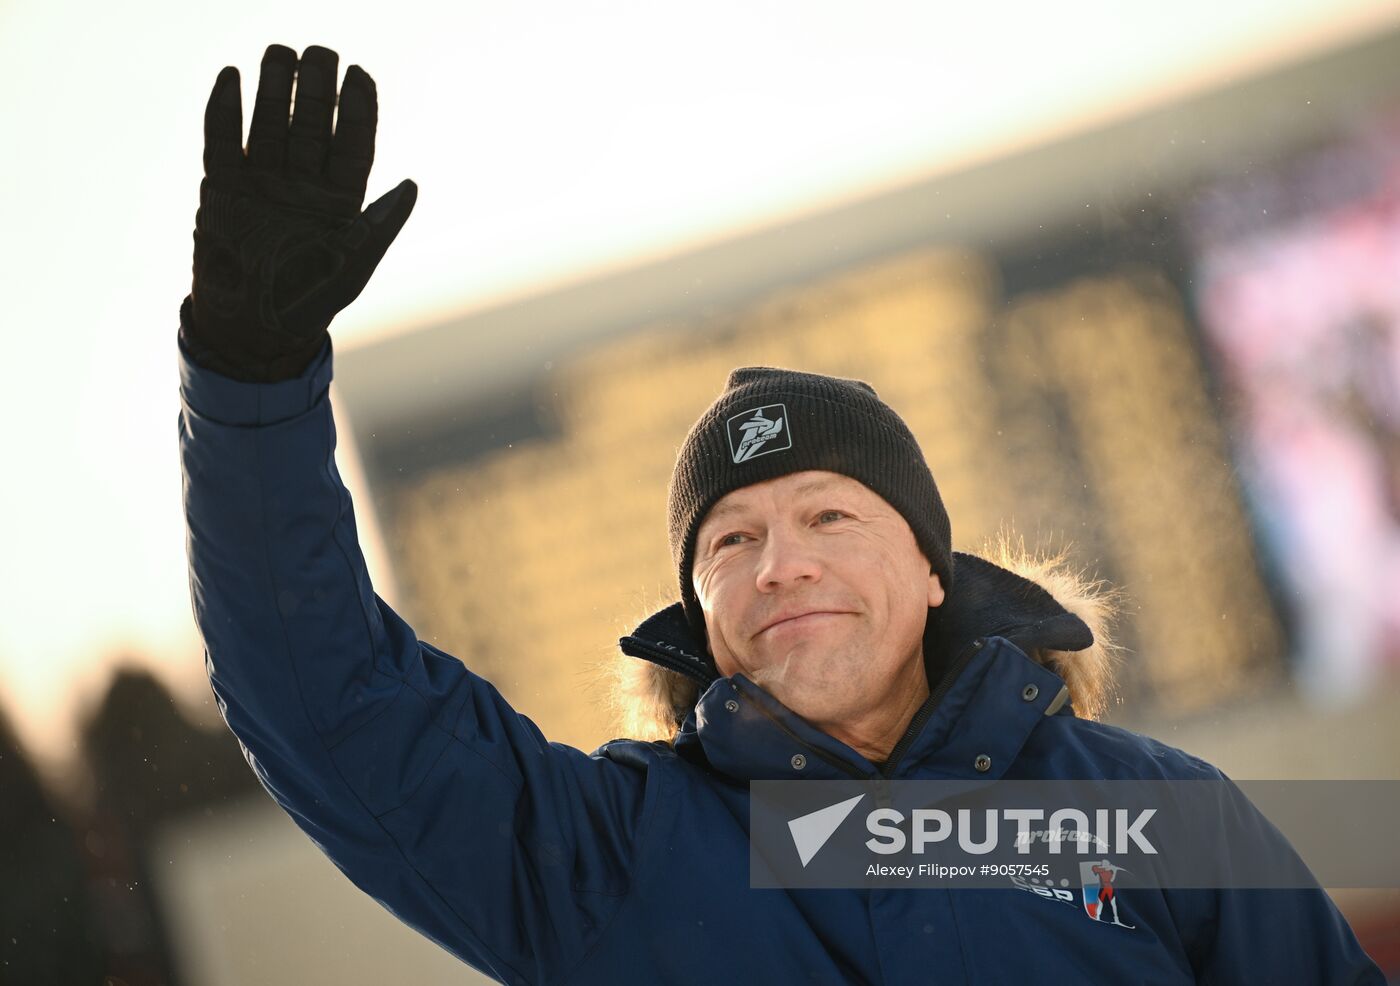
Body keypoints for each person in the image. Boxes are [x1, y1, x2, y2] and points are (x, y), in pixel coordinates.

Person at [177, 44, 1384, 985]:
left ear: (927, 568)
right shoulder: (608, 855)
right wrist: (249, 384)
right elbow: (325, 698)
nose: (780, 563)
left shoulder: (1151, 816)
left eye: (826, 514)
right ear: (699, 618)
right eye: (731, 540)